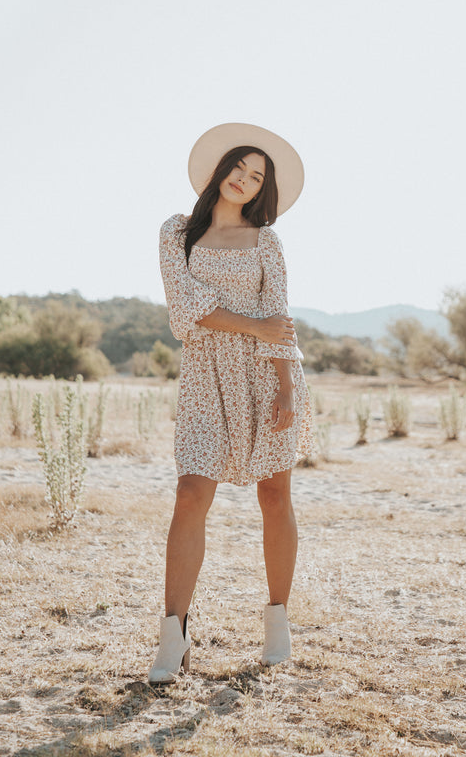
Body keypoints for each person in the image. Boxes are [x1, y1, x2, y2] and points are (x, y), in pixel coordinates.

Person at [148, 122, 314, 685]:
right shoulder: (177, 232)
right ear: (220, 171)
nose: (244, 180)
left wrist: (288, 386)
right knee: (191, 493)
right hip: (203, 376)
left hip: (268, 379)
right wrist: (256, 327)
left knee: (275, 495)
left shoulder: (267, 240)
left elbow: (282, 316)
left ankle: (277, 621)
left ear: (263, 188)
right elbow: (184, 311)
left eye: (256, 175)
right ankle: (173, 635)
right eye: (238, 168)